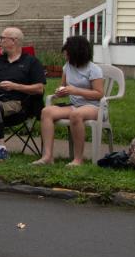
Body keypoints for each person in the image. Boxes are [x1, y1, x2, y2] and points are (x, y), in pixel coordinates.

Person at [32, 35, 104, 167]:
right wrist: (60, 91)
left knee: (76, 115)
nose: (66, 57)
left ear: (77, 53)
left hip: (93, 107)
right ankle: (47, 156)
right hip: (74, 105)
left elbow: (99, 94)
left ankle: (78, 159)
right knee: (46, 112)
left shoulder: (93, 69)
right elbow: (64, 86)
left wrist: (76, 91)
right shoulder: (67, 67)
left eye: (68, 54)